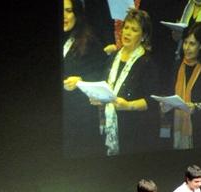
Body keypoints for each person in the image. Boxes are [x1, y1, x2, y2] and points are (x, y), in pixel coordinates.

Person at [96, 9, 158, 155]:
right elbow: (105, 87)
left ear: (143, 36)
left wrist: (129, 106)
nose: (127, 33)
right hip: (112, 126)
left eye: (134, 29)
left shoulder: (148, 62)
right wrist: (99, 98)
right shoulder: (113, 57)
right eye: (126, 28)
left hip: (137, 131)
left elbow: (153, 101)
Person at [61, 0, 105, 157]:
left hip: (80, 117)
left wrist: (81, 80)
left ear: (77, 14)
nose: (63, 16)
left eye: (68, 11)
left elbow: (103, 73)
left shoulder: (89, 40)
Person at [161, 22, 201, 149]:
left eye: (192, 44)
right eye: (185, 42)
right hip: (176, 128)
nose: (186, 48)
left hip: (199, 132)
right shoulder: (177, 65)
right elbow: (170, 94)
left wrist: (195, 108)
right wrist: (166, 105)